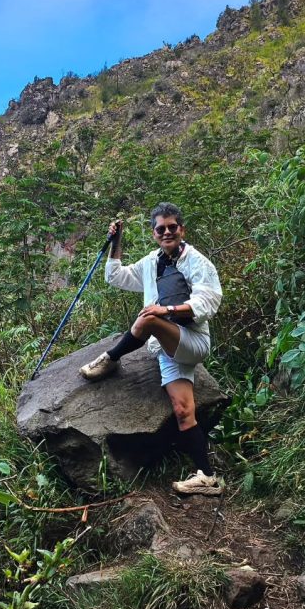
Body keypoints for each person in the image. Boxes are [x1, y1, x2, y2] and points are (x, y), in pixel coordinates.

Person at [79, 202, 223, 495]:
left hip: (192, 341)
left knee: (148, 318)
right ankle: (208, 479)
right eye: (161, 229)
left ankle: (111, 358)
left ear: (181, 229)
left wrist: (164, 309)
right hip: (166, 347)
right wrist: (115, 243)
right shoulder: (151, 262)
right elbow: (115, 277)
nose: (167, 232)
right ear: (154, 234)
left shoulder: (197, 262)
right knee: (184, 411)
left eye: (172, 227)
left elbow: (208, 303)